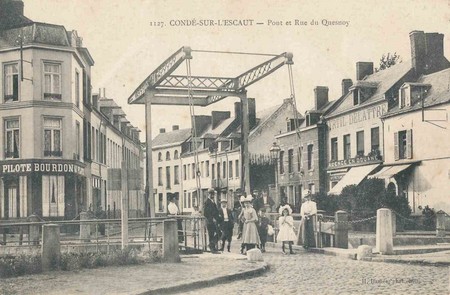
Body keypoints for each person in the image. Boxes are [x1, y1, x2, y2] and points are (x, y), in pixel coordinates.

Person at [204, 188, 221, 253]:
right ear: (208, 194)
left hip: (215, 221)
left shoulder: (213, 202)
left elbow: (215, 211)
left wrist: (218, 217)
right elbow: (206, 213)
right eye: (211, 193)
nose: (212, 195)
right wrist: (212, 219)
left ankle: (211, 245)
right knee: (211, 234)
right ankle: (212, 248)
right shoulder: (207, 202)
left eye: (213, 193)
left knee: (219, 233)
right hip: (210, 222)